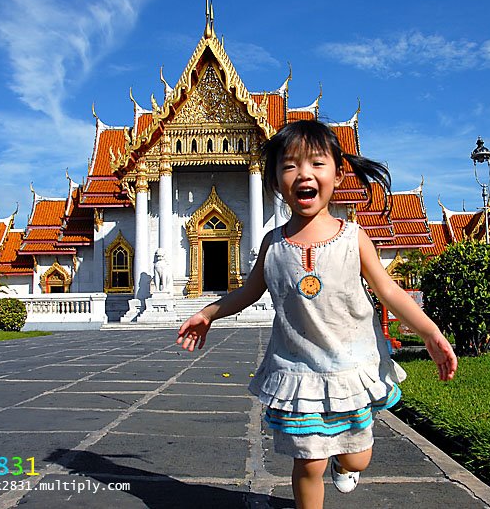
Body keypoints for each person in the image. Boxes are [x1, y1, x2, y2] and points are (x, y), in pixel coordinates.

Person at [177, 120, 457, 509]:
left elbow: (388, 290)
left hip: (350, 369)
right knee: (308, 462)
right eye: (289, 166)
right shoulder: (272, 244)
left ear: (339, 174)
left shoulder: (352, 236)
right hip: (298, 375)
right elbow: (247, 292)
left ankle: (348, 463)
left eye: (317, 164)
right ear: (275, 181)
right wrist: (208, 313)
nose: (303, 174)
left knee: (356, 455)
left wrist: (429, 332)